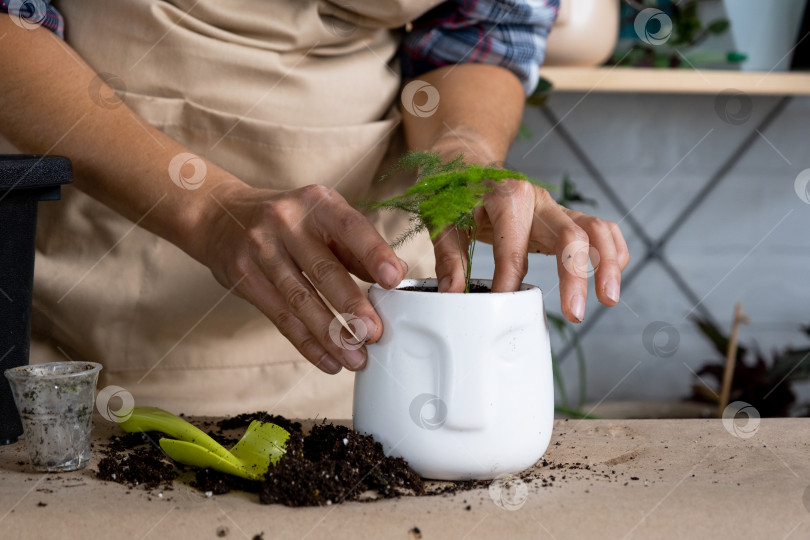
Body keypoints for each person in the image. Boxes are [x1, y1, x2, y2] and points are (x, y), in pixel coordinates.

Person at [0, 0, 629, 418]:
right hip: (103, 293)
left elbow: (477, 36)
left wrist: (457, 157)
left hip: (362, 337)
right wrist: (210, 206)